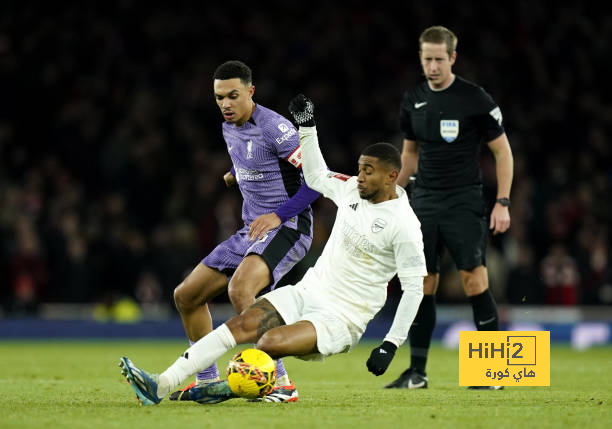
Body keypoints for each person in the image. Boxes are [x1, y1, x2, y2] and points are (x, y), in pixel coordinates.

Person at [118, 94, 427, 406]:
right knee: (239, 324)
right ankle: (161, 384)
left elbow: (415, 289)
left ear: (391, 177)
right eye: (360, 169)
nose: (360, 177)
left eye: (369, 172)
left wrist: (390, 344)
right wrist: (307, 126)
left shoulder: (404, 226)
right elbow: (317, 176)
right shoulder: (350, 189)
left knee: (269, 342)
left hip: (341, 318)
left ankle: (252, 387)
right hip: (307, 292)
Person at [169, 61, 320, 403]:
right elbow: (257, 159)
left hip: (289, 226)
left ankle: (281, 381)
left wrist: (278, 216)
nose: (225, 104)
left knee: (241, 290)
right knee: (187, 295)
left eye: (233, 96)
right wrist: (235, 173)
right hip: (250, 231)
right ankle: (207, 379)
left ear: (251, 92)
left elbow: (316, 180)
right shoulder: (229, 127)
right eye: (219, 97)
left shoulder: (276, 128)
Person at [385, 26, 513, 390]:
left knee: (474, 279)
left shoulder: (475, 98)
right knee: (421, 283)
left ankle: (491, 373)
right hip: (423, 199)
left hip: (463, 201)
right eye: (427, 59)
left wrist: (502, 201)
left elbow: (502, 151)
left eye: (439, 59)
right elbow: (410, 152)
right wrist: (393, 192)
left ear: (453, 58)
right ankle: (417, 374)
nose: (433, 66)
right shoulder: (414, 98)